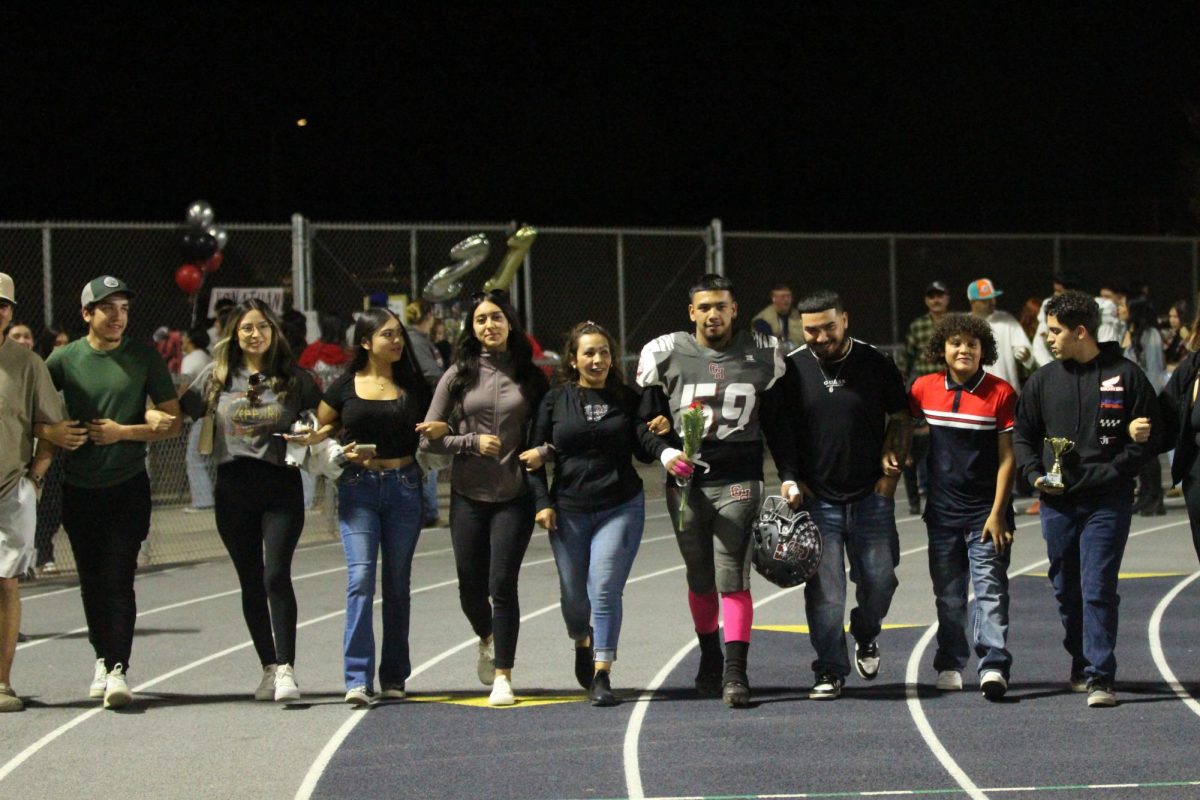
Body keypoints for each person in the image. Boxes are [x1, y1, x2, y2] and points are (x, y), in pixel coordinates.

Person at [635, 274, 786, 708]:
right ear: (691, 312)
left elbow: (778, 422)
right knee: (700, 578)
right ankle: (709, 658)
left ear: (734, 309)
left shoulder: (763, 352)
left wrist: (790, 472)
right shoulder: (664, 353)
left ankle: (736, 673)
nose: (713, 314)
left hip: (739, 478)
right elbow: (646, 424)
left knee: (731, 575)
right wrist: (664, 449)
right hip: (686, 484)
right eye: (704, 307)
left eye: (721, 306)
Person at [1013, 291, 1160, 708]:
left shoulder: (1126, 375)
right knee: (1066, 588)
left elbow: (1154, 435)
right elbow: (1023, 435)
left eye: (1055, 331)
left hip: (1106, 503)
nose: (1048, 338)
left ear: (1081, 331)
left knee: (1098, 586)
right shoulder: (1042, 381)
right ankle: (1080, 660)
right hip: (1057, 504)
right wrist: (1033, 474)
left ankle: (1100, 676)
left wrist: (1118, 466)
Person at [523, 321, 682, 706]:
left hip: (620, 505)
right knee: (574, 597)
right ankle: (582, 639)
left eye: (605, 353)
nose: (598, 360)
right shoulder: (554, 400)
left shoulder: (626, 398)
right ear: (573, 360)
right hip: (569, 510)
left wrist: (663, 433)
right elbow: (531, 458)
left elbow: (643, 447)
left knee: (605, 587)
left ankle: (603, 671)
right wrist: (542, 503)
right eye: (589, 353)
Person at [45, 276, 183, 709]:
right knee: (91, 580)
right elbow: (34, 408)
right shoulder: (64, 359)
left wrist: (126, 431)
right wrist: (54, 431)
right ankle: (102, 660)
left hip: (127, 486)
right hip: (79, 486)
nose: (117, 317)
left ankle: (119, 667)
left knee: (119, 577)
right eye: (108, 309)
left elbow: (172, 422)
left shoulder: (143, 357)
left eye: (123, 308)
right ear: (87, 314)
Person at [768, 289, 910, 700]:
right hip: (818, 502)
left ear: (845, 320)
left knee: (880, 581)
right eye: (811, 330)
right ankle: (829, 668)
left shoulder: (876, 362)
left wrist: (888, 480)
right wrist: (792, 478)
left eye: (828, 326)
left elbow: (900, 416)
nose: (820, 337)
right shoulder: (791, 370)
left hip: (871, 497)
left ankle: (866, 632)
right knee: (826, 594)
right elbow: (782, 433)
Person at [179, 299, 321, 702]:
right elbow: (176, 413)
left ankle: (288, 667)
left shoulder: (294, 379)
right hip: (233, 488)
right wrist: (146, 415)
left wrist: (315, 432)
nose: (254, 334)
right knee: (250, 580)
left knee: (275, 574)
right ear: (234, 334)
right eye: (246, 328)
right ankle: (268, 667)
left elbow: (326, 416)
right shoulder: (217, 376)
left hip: (280, 486)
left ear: (273, 332)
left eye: (262, 327)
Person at [417, 290, 549, 706]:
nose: (488, 325)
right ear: (471, 329)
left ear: (510, 322)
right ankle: (487, 636)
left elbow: (552, 435)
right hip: (468, 494)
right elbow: (429, 439)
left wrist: (543, 453)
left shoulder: (532, 376)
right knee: (470, 587)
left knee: (502, 585)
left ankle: (504, 676)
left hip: (514, 495)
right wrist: (471, 441)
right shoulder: (457, 375)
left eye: (495, 318)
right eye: (480, 320)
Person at [303, 307, 431, 705]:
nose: (396, 341)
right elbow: (319, 430)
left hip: (404, 486)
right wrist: (328, 445)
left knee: (397, 584)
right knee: (360, 581)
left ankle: (394, 676)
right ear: (365, 342)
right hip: (358, 488)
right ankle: (357, 678)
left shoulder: (414, 386)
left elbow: (436, 427)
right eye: (387, 335)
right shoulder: (344, 386)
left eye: (398, 335)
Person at [909, 313, 1016, 699]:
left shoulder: (1001, 393)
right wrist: (896, 453)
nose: (964, 350)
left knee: (990, 590)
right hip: (941, 515)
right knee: (949, 595)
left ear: (983, 350)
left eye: (972, 344)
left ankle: (993, 666)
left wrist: (998, 512)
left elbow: (1008, 458)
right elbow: (901, 427)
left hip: (987, 515)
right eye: (956, 343)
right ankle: (951, 662)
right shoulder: (922, 389)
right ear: (942, 349)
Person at [0, 273, 76, 711]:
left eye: (3, 305)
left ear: (10, 312)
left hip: (10, 488)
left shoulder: (27, 364)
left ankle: (3, 681)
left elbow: (53, 426)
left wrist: (35, 478)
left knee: (5, 583)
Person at [899, 281, 950, 516]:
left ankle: (938, 492)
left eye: (940, 296)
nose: (935, 300)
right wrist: (900, 385)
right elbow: (906, 358)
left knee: (943, 445)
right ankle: (916, 497)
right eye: (931, 297)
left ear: (947, 298)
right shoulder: (917, 326)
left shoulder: (955, 324)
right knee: (915, 448)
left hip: (950, 391)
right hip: (923, 392)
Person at [1120, 296, 1166, 516]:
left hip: (1148, 398)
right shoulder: (1129, 333)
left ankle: (1156, 497)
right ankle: (1145, 492)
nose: (1120, 309)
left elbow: (1155, 371)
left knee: (1150, 451)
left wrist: (1151, 401)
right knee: (1139, 451)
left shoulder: (1152, 335)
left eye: (1124, 306)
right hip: (1132, 397)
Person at [406, 299, 447, 527]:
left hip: (427, 406)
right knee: (424, 457)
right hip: (422, 407)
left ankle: (427, 509)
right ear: (428, 316)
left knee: (426, 457)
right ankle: (427, 510)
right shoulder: (415, 339)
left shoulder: (421, 339)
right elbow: (431, 373)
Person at [32, 324, 69, 571]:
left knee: (70, 502)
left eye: (66, 343)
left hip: (74, 442)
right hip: (50, 443)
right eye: (57, 344)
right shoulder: (41, 371)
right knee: (49, 503)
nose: (63, 349)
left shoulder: (77, 370)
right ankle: (44, 553)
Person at [967, 278, 1035, 392]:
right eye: (985, 300)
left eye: (993, 298)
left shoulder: (1007, 319)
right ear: (973, 302)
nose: (992, 302)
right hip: (975, 392)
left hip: (1007, 389)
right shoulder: (964, 324)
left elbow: (1024, 348)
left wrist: (1024, 353)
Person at [180, 327, 214, 512]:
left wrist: (179, 409)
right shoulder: (206, 357)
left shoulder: (190, 359)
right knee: (207, 457)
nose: (182, 340)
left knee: (194, 457)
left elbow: (185, 387)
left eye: (184, 336)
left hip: (201, 413)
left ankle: (203, 500)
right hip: (214, 412)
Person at [751, 283, 803, 349]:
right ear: (774, 298)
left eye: (789, 296)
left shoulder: (800, 316)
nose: (786, 299)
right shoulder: (762, 320)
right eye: (783, 296)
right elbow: (768, 347)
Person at [1163, 299, 1191, 373]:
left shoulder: (1188, 334)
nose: (1171, 320)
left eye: (1175, 317)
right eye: (1170, 316)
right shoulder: (1171, 334)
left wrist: (1187, 338)